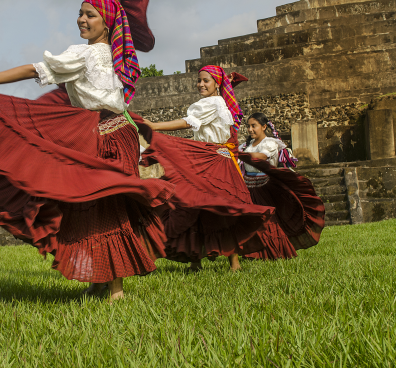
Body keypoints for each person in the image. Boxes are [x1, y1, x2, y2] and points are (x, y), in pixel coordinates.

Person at [0, 0, 173, 301]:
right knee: (90, 203)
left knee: (106, 204)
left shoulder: (85, 54)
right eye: (80, 13)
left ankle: (115, 290)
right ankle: (99, 280)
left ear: (106, 22)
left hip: (106, 135)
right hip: (114, 132)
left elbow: (36, 69)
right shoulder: (113, 55)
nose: (81, 19)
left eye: (90, 15)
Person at [139, 65, 274, 271]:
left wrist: (155, 126)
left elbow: (188, 122)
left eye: (206, 81)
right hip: (213, 158)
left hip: (215, 160)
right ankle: (208, 261)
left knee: (208, 205)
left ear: (216, 84)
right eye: (199, 80)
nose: (200, 84)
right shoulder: (216, 103)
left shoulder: (212, 102)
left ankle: (216, 262)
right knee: (207, 205)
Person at [236, 113, 325, 259]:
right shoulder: (246, 146)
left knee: (269, 221)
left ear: (264, 127)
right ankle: (256, 253)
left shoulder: (270, 143)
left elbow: (263, 157)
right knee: (252, 221)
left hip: (266, 187)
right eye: (248, 126)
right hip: (249, 187)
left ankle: (276, 252)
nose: (250, 129)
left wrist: (240, 155)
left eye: (254, 126)